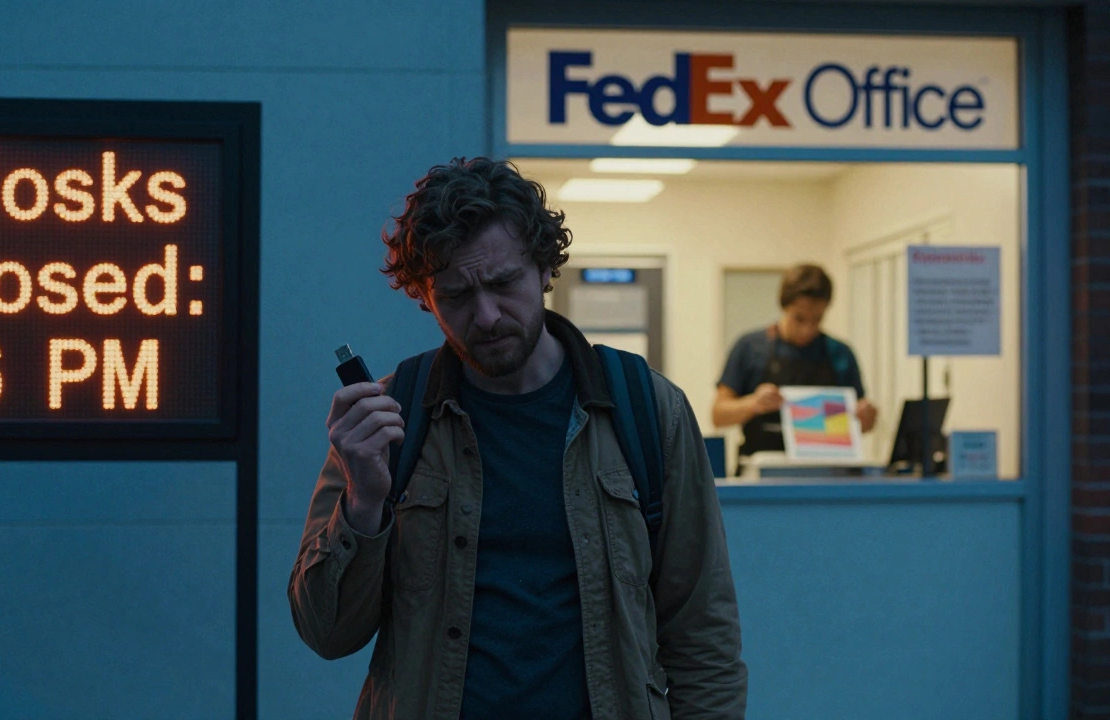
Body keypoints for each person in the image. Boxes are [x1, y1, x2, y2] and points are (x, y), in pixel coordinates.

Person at [288, 157, 747, 720]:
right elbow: (326, 632)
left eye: (504, 283)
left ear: (545, 267)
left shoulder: (647, 409)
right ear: (425, 297)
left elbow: (703, 638)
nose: (486, 316)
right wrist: (363, 502)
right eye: (456, 295)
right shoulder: (389, 421)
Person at [712, 264, 878, 471]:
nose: (807, 329)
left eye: (816, 319)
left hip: (827, 472)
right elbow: (718, 415)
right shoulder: (749, 348)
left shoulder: (840, 354)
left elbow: (862, 424)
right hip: (762, 471)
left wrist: (866, 417)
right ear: (784, 306)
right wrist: (754, 403)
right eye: (799, 318)